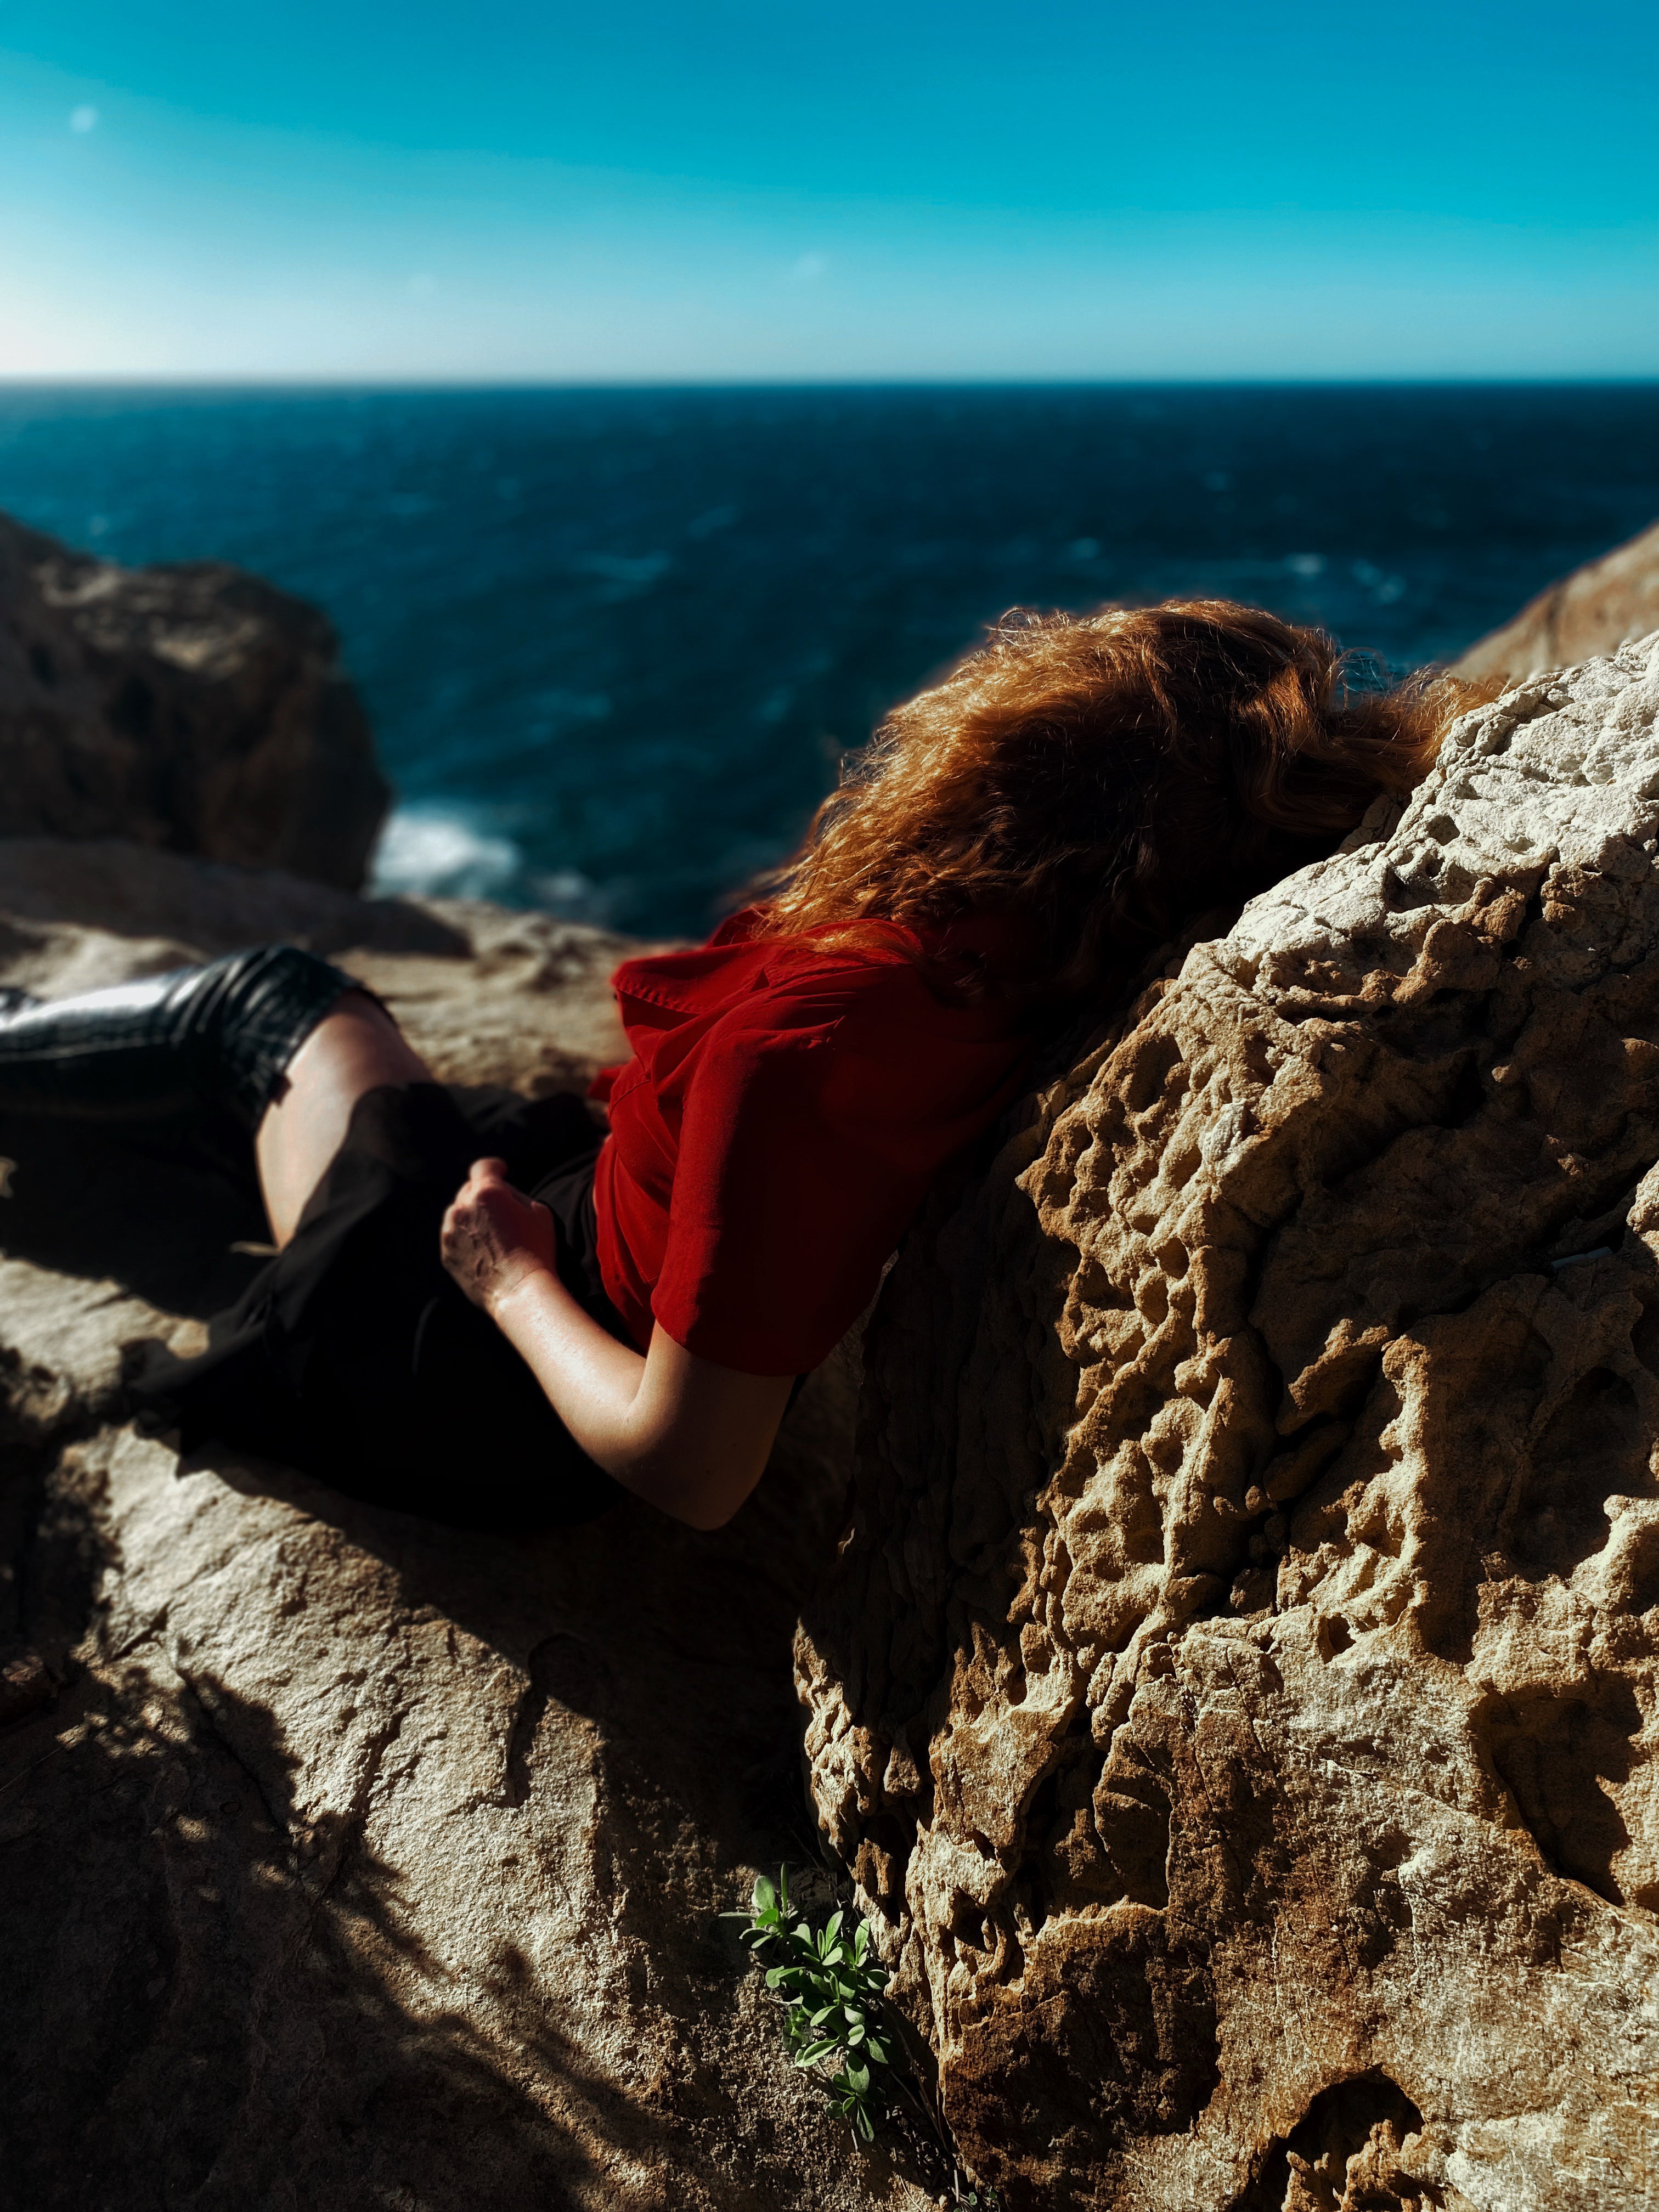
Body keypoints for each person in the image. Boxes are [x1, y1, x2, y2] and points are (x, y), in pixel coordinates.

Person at [0, 601, 1478, 1534]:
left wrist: (504, 1274)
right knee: (301, 1059)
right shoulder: (1036, 974)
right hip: (575, 1247)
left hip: (467, 1370)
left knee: (268, 1001)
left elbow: (690, 1472)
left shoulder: (826, 1040)